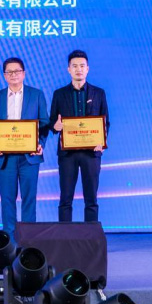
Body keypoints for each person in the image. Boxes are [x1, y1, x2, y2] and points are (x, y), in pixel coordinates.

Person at [0, 57, 49, 237]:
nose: (13, 75)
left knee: (29, 199)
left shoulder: (36, 95)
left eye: (17, 71)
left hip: (30, 156)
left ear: (24, 73)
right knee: (7, 200)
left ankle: (28, 241)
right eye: (9, 72)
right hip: (5, 157)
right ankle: (10, 241)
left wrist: (40, 144)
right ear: (4, 75)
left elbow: (44, 122)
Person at [50, 50, 110, 222]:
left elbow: (105, 122)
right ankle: (64, 235)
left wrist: (102, 142)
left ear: (87, 69)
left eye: (82, 66)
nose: (79, 69)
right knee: (65, 199)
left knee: (91, 199)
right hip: (67, 154)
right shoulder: (59, 94)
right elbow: (52, 121)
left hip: (91, 153)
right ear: (68, 69)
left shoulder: (99, 93)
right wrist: (55, 126)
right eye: (75, 66)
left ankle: (90, 235)